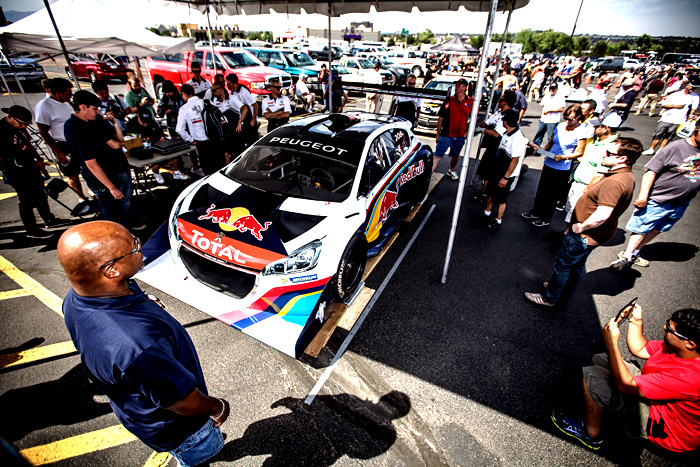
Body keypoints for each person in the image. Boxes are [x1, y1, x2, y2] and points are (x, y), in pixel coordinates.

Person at [58, 221, 230, 466]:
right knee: (202, 453)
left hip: (141, 412)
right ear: (111, 270)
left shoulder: (78, 299)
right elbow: (181, 400)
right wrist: (217, 406)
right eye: (134, 246)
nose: (141, 247)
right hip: (184, 429)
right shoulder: (136, 347)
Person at [551, 305, 700, 452]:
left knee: (593, 376)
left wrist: (611, 343)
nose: (664, 326)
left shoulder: (690, 378)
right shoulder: (677, 348)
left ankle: (591, 434)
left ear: (690, 344)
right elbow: (641, 348)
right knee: (601, 359)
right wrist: (636, 321)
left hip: (666, 427)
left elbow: (626, 384)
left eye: (669, 327)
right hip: (658, 398)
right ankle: (609, 408)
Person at [525, 137, 642, 307]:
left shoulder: (615, 182)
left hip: (586, 234)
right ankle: (561, 290)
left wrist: (581, 226)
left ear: (622, 158)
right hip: (595, 234)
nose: (604, 154)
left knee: (563, 264)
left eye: (609, 153)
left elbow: (603, 213)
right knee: (577, 265)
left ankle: (549, 297)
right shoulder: (625, 175)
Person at [611, 120, 700, 270]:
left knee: (659, 227)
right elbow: (651, 172)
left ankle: (636, 252)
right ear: (696, 129)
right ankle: (626, 255)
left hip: (682, 202)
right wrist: (643, 196)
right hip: (660, 199)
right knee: (642, 228)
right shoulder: (675, 147)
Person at [64, 91, 133, 227]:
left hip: (111, 171)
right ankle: (115, 237)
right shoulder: (77, 128)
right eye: (94, 109)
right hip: (101, 180)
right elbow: (91, 163)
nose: (97, 112)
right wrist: (111, 187)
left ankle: (124, 231)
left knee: (119, 207)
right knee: (110, 212)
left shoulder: (91, 122)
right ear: (83, 107)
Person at [0, 105, 70, 239]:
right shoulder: (2, 130)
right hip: (15, 170)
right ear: (10, 117)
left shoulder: (20, 129)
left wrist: (38, 158)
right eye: (21, 124)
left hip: (30, 167)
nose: (23, 127)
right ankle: (31, 230)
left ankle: (49, 219)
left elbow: (29, 143)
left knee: (41, 195)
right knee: (26, 200)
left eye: (25, 124)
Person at [522, 105, 589, 228]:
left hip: (562, 167)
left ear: (578, 117)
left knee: (552, 194)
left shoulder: (581, 131)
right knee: (542, 189)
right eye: (566, 119)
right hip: (549, 162)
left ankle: (545, 218)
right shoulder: (561, 126)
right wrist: (542, 150)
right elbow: (551, 142)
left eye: (571, 119)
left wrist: (564, 157)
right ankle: (536, 212)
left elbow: (580, 152)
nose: (568, 122)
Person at [473, 110, 527, 232]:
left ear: (505, 122)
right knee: (491, 194)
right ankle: (486, 214)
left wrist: (506, 177)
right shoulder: (506, 133)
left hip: (505, 175)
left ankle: (498, 221)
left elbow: (515, 160)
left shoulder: (517, 138)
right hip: (496, 171)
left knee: (501, 199)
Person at [35, 77, 87, 201]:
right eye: (68, 93)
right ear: (58, 93)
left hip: (77, 141)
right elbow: (43, 131)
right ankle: (81, 198)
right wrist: (58, 152)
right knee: (73, 174)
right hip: (63, 144)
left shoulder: (66, 103)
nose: (70, 96)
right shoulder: (45, 106)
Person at [563, 113, 622, 223]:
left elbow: (601, 173)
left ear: (606, 128)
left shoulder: (609, 148)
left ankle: (569, 237)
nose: (594, 129)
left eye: (597, 127)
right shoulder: (598, 141)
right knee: (571, 212)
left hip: (586, 186)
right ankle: (566, 232)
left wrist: (587, 190)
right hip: (578, 184)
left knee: (577, 215)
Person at [177, 84, 225, 176]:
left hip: (202, 144)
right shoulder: (207, 102)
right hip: (216, 141)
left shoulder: (184, 109)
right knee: (220, 170)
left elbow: (179, 129)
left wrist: (191, 139)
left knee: (208, 172)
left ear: (184, 94)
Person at [641, 82, 698, 156]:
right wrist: (676, 106)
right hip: (667, 118)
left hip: (680, 120)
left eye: (694, 87)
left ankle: (660, 150)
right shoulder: (676, 94)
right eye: (691, 87)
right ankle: (651, 149)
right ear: (687, 86)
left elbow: (693, 109)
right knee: (658, 134)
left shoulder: (695, 97)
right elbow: (664, 105)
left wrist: (689, 120)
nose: (693, 89)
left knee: (668, 136)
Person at [433, 78, 474, 179]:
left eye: (459, 85)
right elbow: (441, 117)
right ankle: (428, 176)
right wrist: (438, 134)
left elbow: (473, 118)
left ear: (464, 88)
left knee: (455, 155)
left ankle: (451, 170)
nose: (457, 87)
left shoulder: (470, 101)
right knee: (437, 156)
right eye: (456, 85)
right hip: (446, 134)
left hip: (460, 135)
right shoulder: (449, 100)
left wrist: (467, 132)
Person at [225, 73, 258, 139]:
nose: (227, 85)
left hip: (249, 119)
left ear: (235, 84)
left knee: (251, 139)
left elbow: (255, 105)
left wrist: (253, 120)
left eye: (229, 84)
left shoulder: (244, 92)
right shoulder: (233, 91)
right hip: (242, 118)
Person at [532, 83, 566, 147]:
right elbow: (542, 105)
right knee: (539, 135)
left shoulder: (560, 97)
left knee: (550, 137)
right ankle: (535, 148)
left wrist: (550, 110)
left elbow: (561, 109)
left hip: (553, 120)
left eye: (553, 89)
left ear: (556, 89)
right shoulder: (547, 95)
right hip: (544, 119)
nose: (551, 90)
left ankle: (549, 151)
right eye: (550, 88)